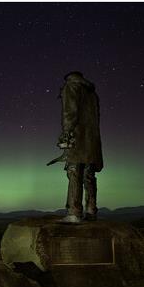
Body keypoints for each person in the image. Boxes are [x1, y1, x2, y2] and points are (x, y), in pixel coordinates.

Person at [57, 71, 103, 222]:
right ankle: (91, 210)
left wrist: (66, 133)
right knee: (88, 175)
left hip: (78, 138)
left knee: (74, 171)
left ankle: (74, 212)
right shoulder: (92, 93)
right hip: (92, 141)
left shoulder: (71, 86)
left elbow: (69, 113)